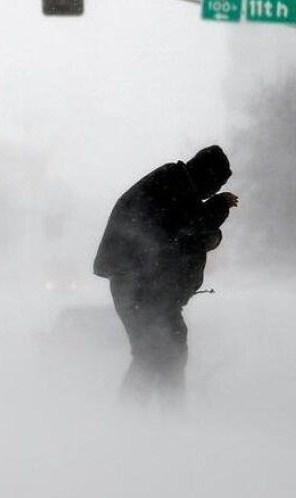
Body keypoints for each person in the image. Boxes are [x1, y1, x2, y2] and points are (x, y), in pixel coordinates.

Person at [93, 145, 238, 404]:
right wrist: (217, 212)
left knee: (165, 352)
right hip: (142, 286)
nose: (213, 191)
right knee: (157, 353)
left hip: (148, 287)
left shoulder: (174, 184)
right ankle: (149, 422)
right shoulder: (173, 185)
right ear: (207, 174)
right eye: (215, 184)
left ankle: (159, 424)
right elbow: (184, 234)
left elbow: (181, 230)